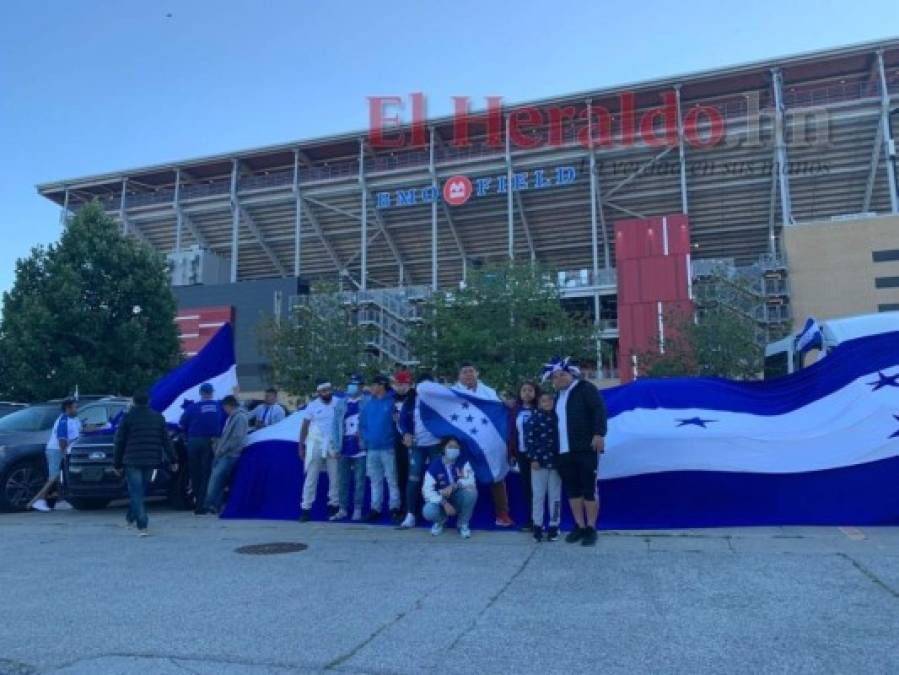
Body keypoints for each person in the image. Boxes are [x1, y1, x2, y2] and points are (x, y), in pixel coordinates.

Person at [544, 356, 608, 547]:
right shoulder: (557, 397)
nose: (558, 379)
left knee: (589, 489)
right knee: (572, 491)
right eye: (554, 377)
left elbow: (599, 410)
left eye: (562, 375)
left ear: (571, 374)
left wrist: (599, 434)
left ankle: (591, 528)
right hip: (563, 452)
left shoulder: (585, 388)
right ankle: (579, 526)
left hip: (585, 449)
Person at [452, 362, 514, 527]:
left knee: (497, 475)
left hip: (487, 442)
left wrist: (506, 405)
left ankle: (502, 513)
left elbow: (498, 412)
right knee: (461, 478)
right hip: (463, 442)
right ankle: (460, 516)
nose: (468, 375)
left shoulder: (489, 392)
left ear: (477, 373)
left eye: (471, 371)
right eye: (464, 372)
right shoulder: (452, 394)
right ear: (459, 376)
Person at [113, 390, 177, 536]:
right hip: (151, 459)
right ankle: (130, 518)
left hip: (132, 460)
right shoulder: (158, 418)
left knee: (136, 491)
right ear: (148, 402)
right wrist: (173, 459)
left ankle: (142, 525)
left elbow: (120, 441)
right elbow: (166, 441)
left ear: (134, 402)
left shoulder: (128, 418)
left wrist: (117, 464)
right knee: (140, 490)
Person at [396, 373, 444, 529]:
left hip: (436, 445)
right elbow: (402, 421)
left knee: (438, 478)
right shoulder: (410, 401)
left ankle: (439, 515)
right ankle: (410, 515)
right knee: (413, 479)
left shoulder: (439, 401)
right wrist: (405, 433)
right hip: (417, 446)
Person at [359, 374, 402, 523]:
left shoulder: (392, 402)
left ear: (381, 385)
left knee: (392, 479)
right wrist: (367, 439)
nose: (371, 388)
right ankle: (375, 509)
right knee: (375, 480)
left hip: (388, 448)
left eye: (374, 385)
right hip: (372, 449)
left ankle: (394, 508)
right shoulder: (368, 404)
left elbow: (398, 425)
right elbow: (362, 424)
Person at [179, 382, 225, 514]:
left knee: (194, 473)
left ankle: (198, 503)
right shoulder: (219, 407)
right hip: (212, 442)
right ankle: (204, 504)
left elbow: (182, 423)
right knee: (207, 474)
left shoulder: (192, 408)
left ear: (201, 393)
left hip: (194, 442)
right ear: (212, 393)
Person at [298, 379, 340, 521]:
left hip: (333, 443)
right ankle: (306, 508)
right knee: (311, 476)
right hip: (315, 442)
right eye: (323, 391)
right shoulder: (312, 405)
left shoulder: (339, 402)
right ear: (318, 392)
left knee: (335, 477)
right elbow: (304, 426)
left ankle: (333, 505)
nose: (326, 393)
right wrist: (301, 446)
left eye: (328, 389)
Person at [30, 398, 81, 512]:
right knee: (53, 477)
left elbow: (80, 431)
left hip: (63, 451)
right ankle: (39, 501)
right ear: (68, 408)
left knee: (59, 478)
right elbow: (61, 440)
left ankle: (59, 501)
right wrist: (63, 453)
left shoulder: (74, 419)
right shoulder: (63, 421)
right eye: (75, 407)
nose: (77, 409)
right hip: (56, 450)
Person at [201, 395, 248, 515]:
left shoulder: (240, 418)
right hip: (225, 453)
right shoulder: (233, 417)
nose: (224, 410)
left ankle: (208, 504)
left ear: (228, 405)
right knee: (219, 480)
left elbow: (236, 437)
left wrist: (222, 449)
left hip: (229, 454)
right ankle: (215, 505)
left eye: (224, 407)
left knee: (215, 479)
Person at [421, 438, 477, 538]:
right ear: (444, 449)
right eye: (450, 447)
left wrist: (454, 486)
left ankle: (462, 524)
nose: (453, 449)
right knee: (428, 510)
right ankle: (440, 522)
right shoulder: (434, 465)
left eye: (456, 447)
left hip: (457, 496)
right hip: (441, 498)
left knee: (472, 492)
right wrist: (444, 503)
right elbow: (427, 490)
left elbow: (470, 481)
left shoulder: (464, 462)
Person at [525, 392, 562, 542]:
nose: (547, 403)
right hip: (538, 463)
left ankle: (554, 526)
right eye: (544, 400)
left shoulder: (559, 418)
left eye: (550, 400)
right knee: (538, 495)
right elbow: (528, 439)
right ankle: (537, 526)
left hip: (556, 463)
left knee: (555, 496)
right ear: (539, 403)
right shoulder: (534, 417)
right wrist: (533, 458)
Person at [330, 374, 367, 522]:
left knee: (359, 480)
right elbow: (335, 425)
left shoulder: (367, 402)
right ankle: (343, 509)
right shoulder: (341, 403)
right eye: (350, 384)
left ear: (361, 387)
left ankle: (357, 509)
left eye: (355, 384)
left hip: (360, 447)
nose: (351, 387)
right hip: (343, 447)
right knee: (342, 480)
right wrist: (335, 446)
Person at [512, 381, 540, 532]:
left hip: (538, 455)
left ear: (535, 393)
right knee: (527, 487)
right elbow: (512, 433)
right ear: (520, 394)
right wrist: (512, 453)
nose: (527, 393)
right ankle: (531, 519)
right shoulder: (515, 410)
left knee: (539, 488)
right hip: (522, 454)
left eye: (530, 390)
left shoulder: (541, 408)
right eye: (524, 390)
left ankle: (541, 519)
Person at [391, 370, 413, 514]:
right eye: (398, 384)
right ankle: (402, 506)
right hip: (397, 442)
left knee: (413, 475)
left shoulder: (414, 398)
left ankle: (412, 507)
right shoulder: (390, 399)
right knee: (400, 475)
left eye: (404, 384)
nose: (401, 387)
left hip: (412, 440)